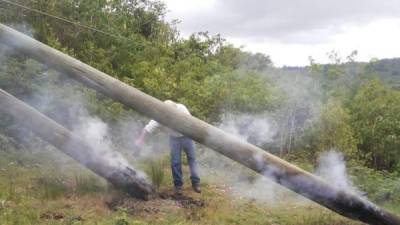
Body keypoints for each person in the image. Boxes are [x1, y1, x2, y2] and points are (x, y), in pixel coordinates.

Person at [135, 100, 201, 194]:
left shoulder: (181, 108)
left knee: (192, 159)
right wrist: (140, 141)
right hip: (174, 139)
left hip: (187, 137)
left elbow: (191, 123)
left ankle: (196, 183)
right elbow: (146, 129)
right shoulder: (159, 117)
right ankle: (178, 186)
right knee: (175, 162)